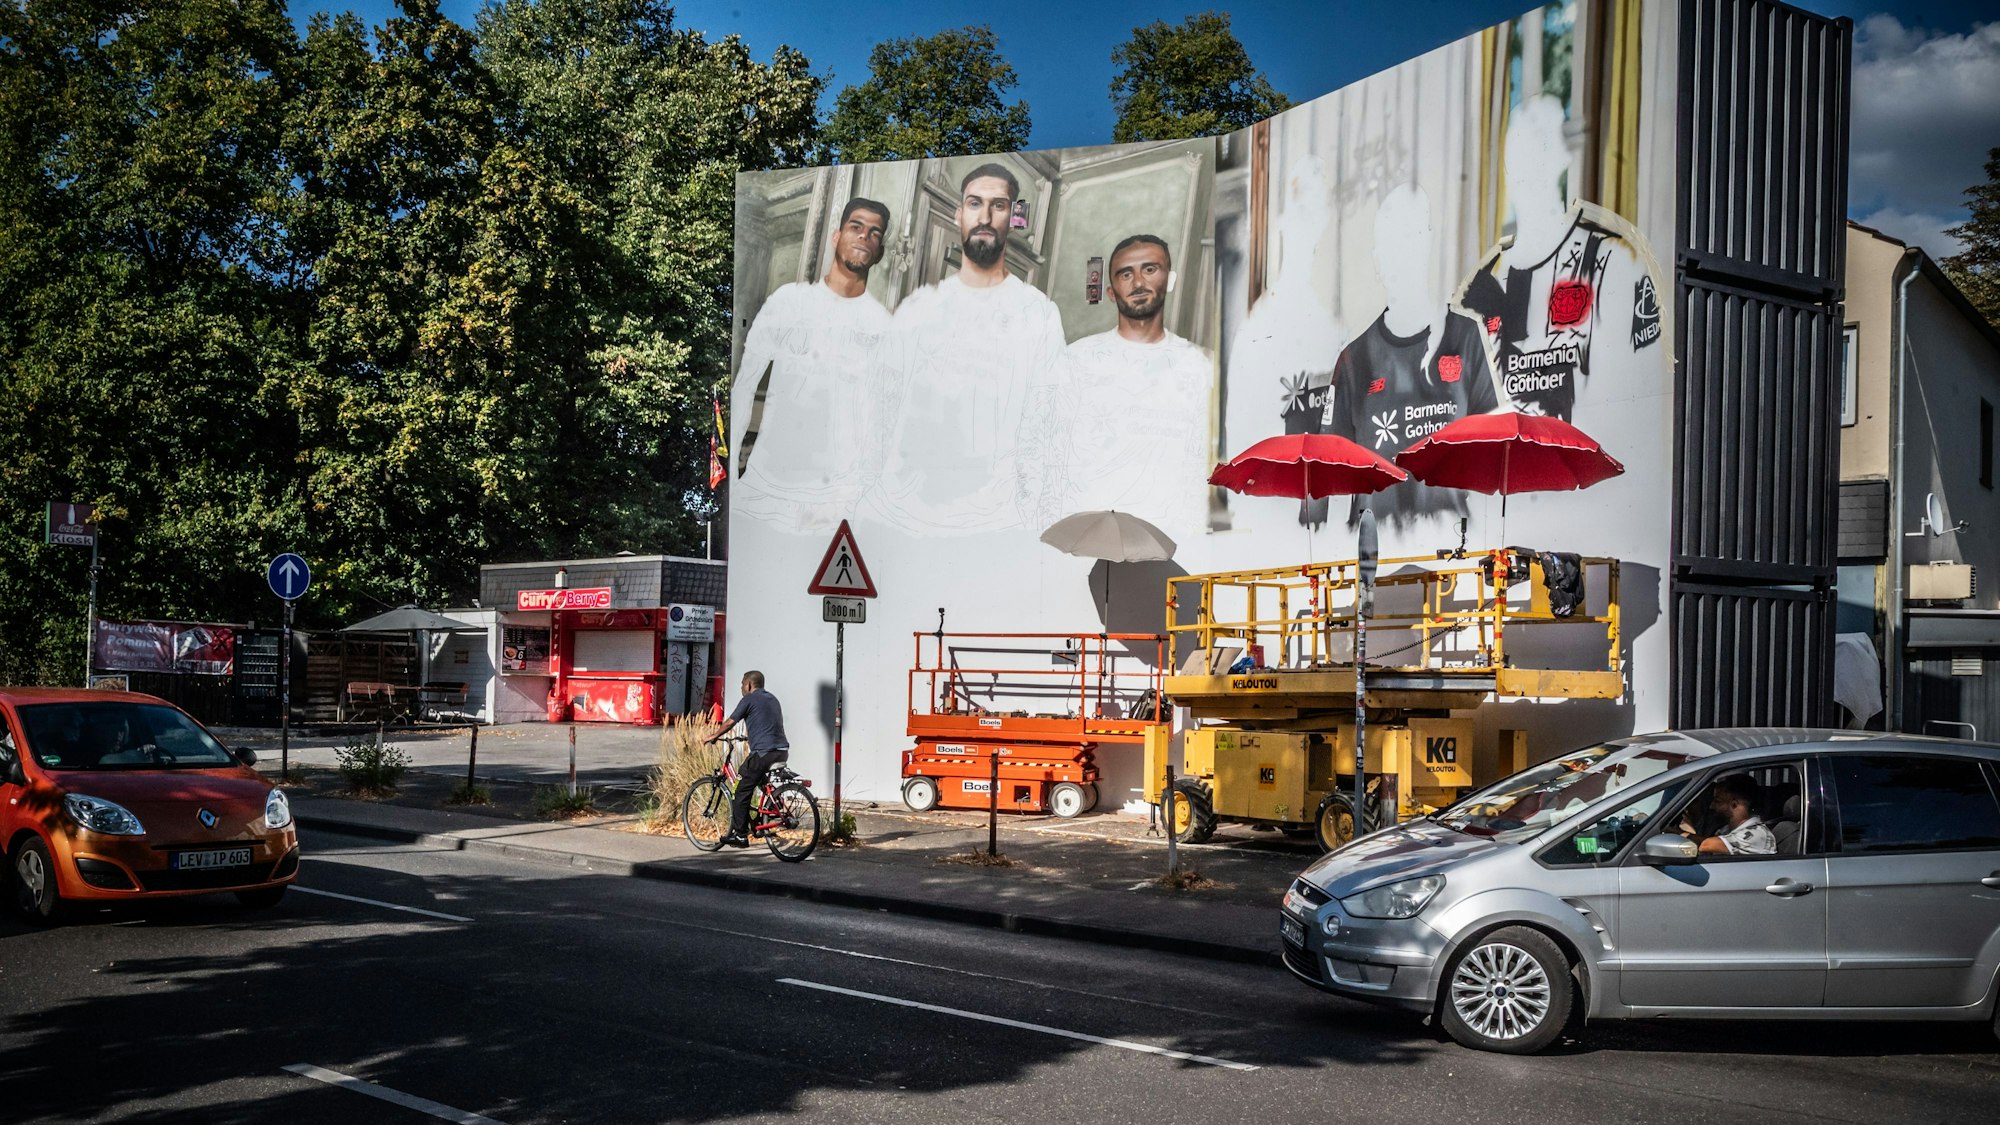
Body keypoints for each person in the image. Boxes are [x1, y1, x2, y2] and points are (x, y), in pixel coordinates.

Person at [873, 162, 1068, 534]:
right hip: (906, 513)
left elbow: (1049, 425)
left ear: (1012, 217)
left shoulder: (1038, 313)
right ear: (959, 213)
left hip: (994, 518)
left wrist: (1039, 516)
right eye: (975, 203)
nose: (986, 216)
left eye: (999, 205)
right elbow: (883, 410)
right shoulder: (919, 310)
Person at [1322, 183, 1498, 529]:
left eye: (1411, 236)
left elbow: (1492, 450)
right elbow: (1331, 475)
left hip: (1453, 556)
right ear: (1377, 258)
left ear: (1427, 242)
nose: (1401, 253)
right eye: (1390, 242)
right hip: (1375, 557)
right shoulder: (1353, 361)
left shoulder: (1465, 337)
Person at [733, 197, 896, 531]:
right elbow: (744, 386)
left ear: (879, 251)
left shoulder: (884, 327)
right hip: (767, 485)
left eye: (874, 233)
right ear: (837, 236)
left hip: (835, 499)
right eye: (856, 227)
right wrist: (731, 479)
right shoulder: (788, 302)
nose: (864, 236)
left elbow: (881, 421)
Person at [1058, 234, 1216, 540]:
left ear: (1170, 280)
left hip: (1177, 537)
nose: (1138, 282)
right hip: (1093, 534)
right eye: (1126, 274)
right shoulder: (1077, 359)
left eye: (1150, 269)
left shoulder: (1202, 365)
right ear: (1110, 292)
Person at [706, 670, 790, 848]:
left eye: (742, 684)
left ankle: (740, 835)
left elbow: (730, 722)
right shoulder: (773, 699)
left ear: (749, 685)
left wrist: (713, 736)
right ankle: (762, 818)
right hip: (781, 750)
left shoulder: (749, 699)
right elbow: (766, 724)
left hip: (763, 753)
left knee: (739, 787)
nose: (741, 688)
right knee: (756, 780)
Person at [1679, 773, 1776, 855]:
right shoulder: (1727, 829)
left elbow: (1707, 845)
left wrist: (1680, 834)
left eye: (1718, 801)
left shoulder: (1757, 835)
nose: (1711, 806)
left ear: (1734, 804)